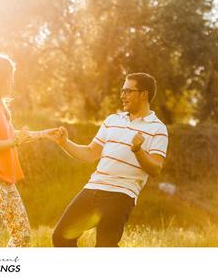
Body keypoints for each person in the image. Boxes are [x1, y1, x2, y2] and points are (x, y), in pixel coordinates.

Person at [49, 73, 168, 247]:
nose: (122, 96)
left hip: (122, 194)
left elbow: (156, 169)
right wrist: (64, 143)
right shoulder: (112, 120)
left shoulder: (158, 128)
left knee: (105, 246)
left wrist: (138, 151)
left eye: (128, 91)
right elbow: (90, 153)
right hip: (93, 188)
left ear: (144, 94)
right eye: (122, 91)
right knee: (61, 237)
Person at [0, 53, 51, 247]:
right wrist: (14, 141)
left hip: (4, 181)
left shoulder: (0, 108)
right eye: (10, 75)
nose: (12, 80)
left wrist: (46, 134)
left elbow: (15, 138)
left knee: (22, 235)